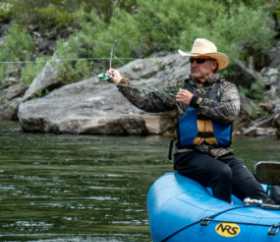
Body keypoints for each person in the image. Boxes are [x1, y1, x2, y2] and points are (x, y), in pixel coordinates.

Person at [105, 38, 269, 204]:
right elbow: (147, 101)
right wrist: (120, 81)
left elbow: (230, 112)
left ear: (213, 64)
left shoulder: (227, 89)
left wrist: (195, 101)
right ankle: (222, 213)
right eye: (192, 61)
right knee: (222, 173)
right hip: (188, 156)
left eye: (199, 60)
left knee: (256, 192)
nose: (194, 64)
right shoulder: (181, 89)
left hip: (222, 154)